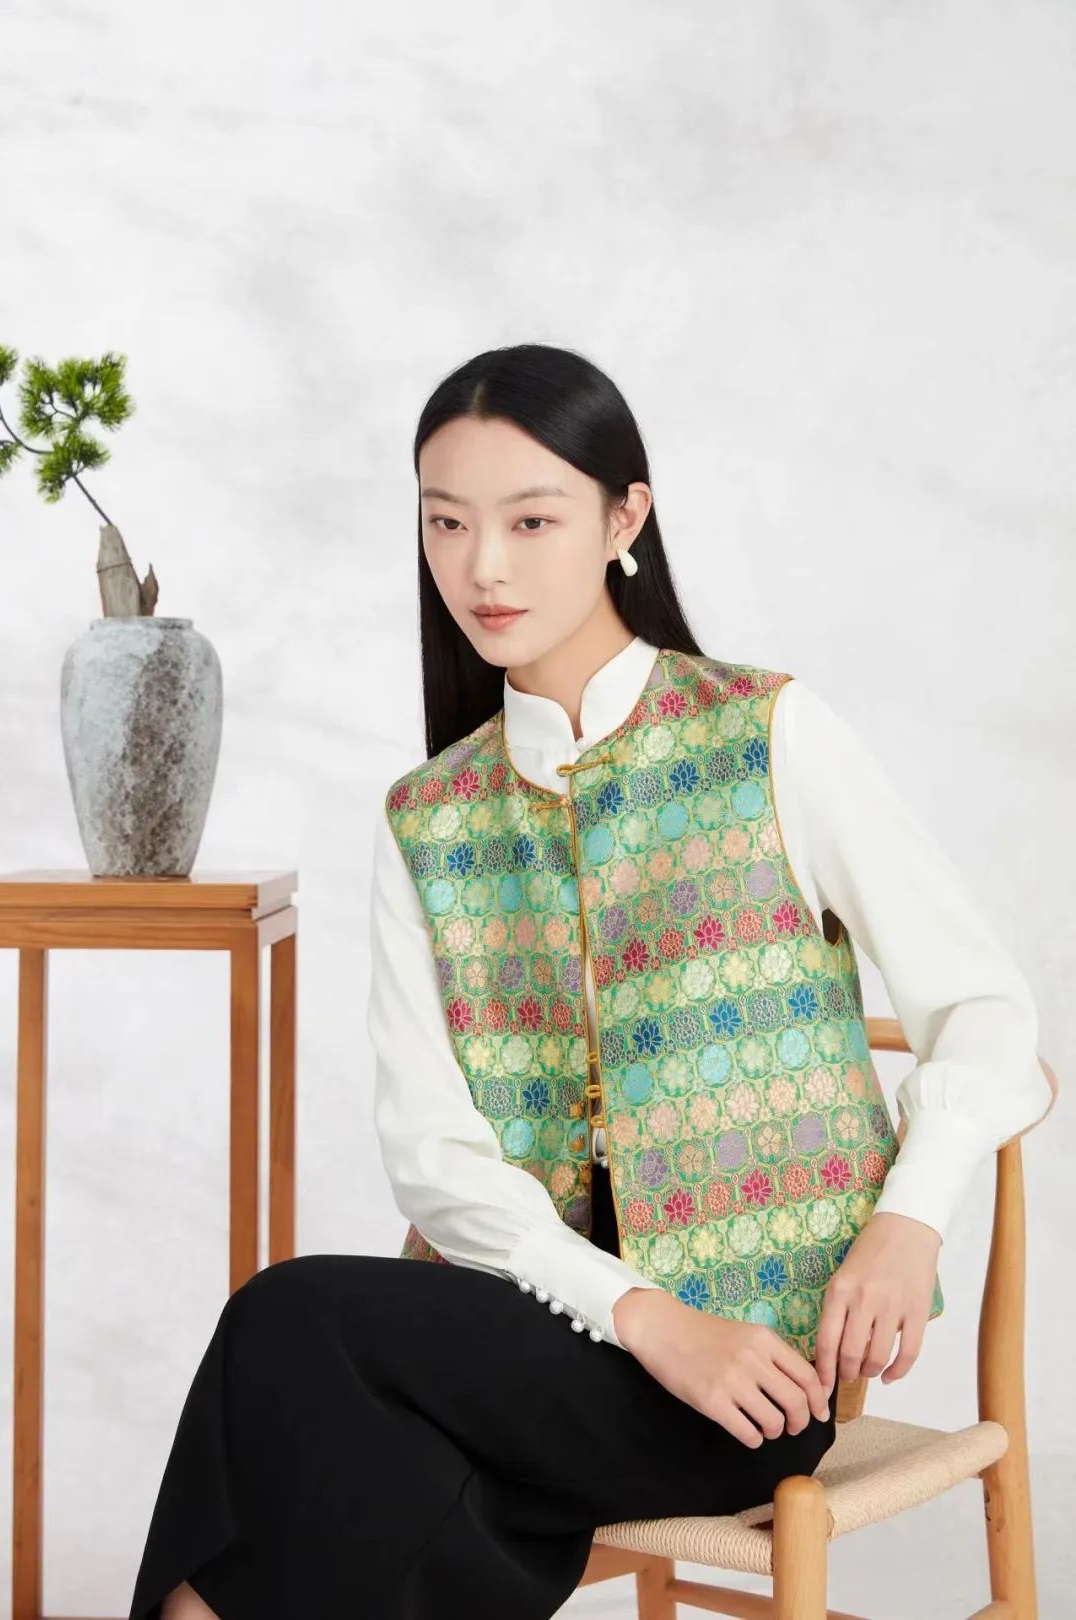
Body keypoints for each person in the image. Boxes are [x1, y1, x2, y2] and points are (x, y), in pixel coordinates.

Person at [127, 343, 1053, 1620]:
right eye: (446, 523)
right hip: (548, 1349)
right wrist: (646, 1317)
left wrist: (911, 1218)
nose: (482, 568)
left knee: (293, 1332)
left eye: (530, 520)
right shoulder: (430, 817)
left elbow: (989, 1014)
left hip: (754, 1375)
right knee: (358, 1451)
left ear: (625, 520)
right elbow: (435, 1159)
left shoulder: (766, 734)